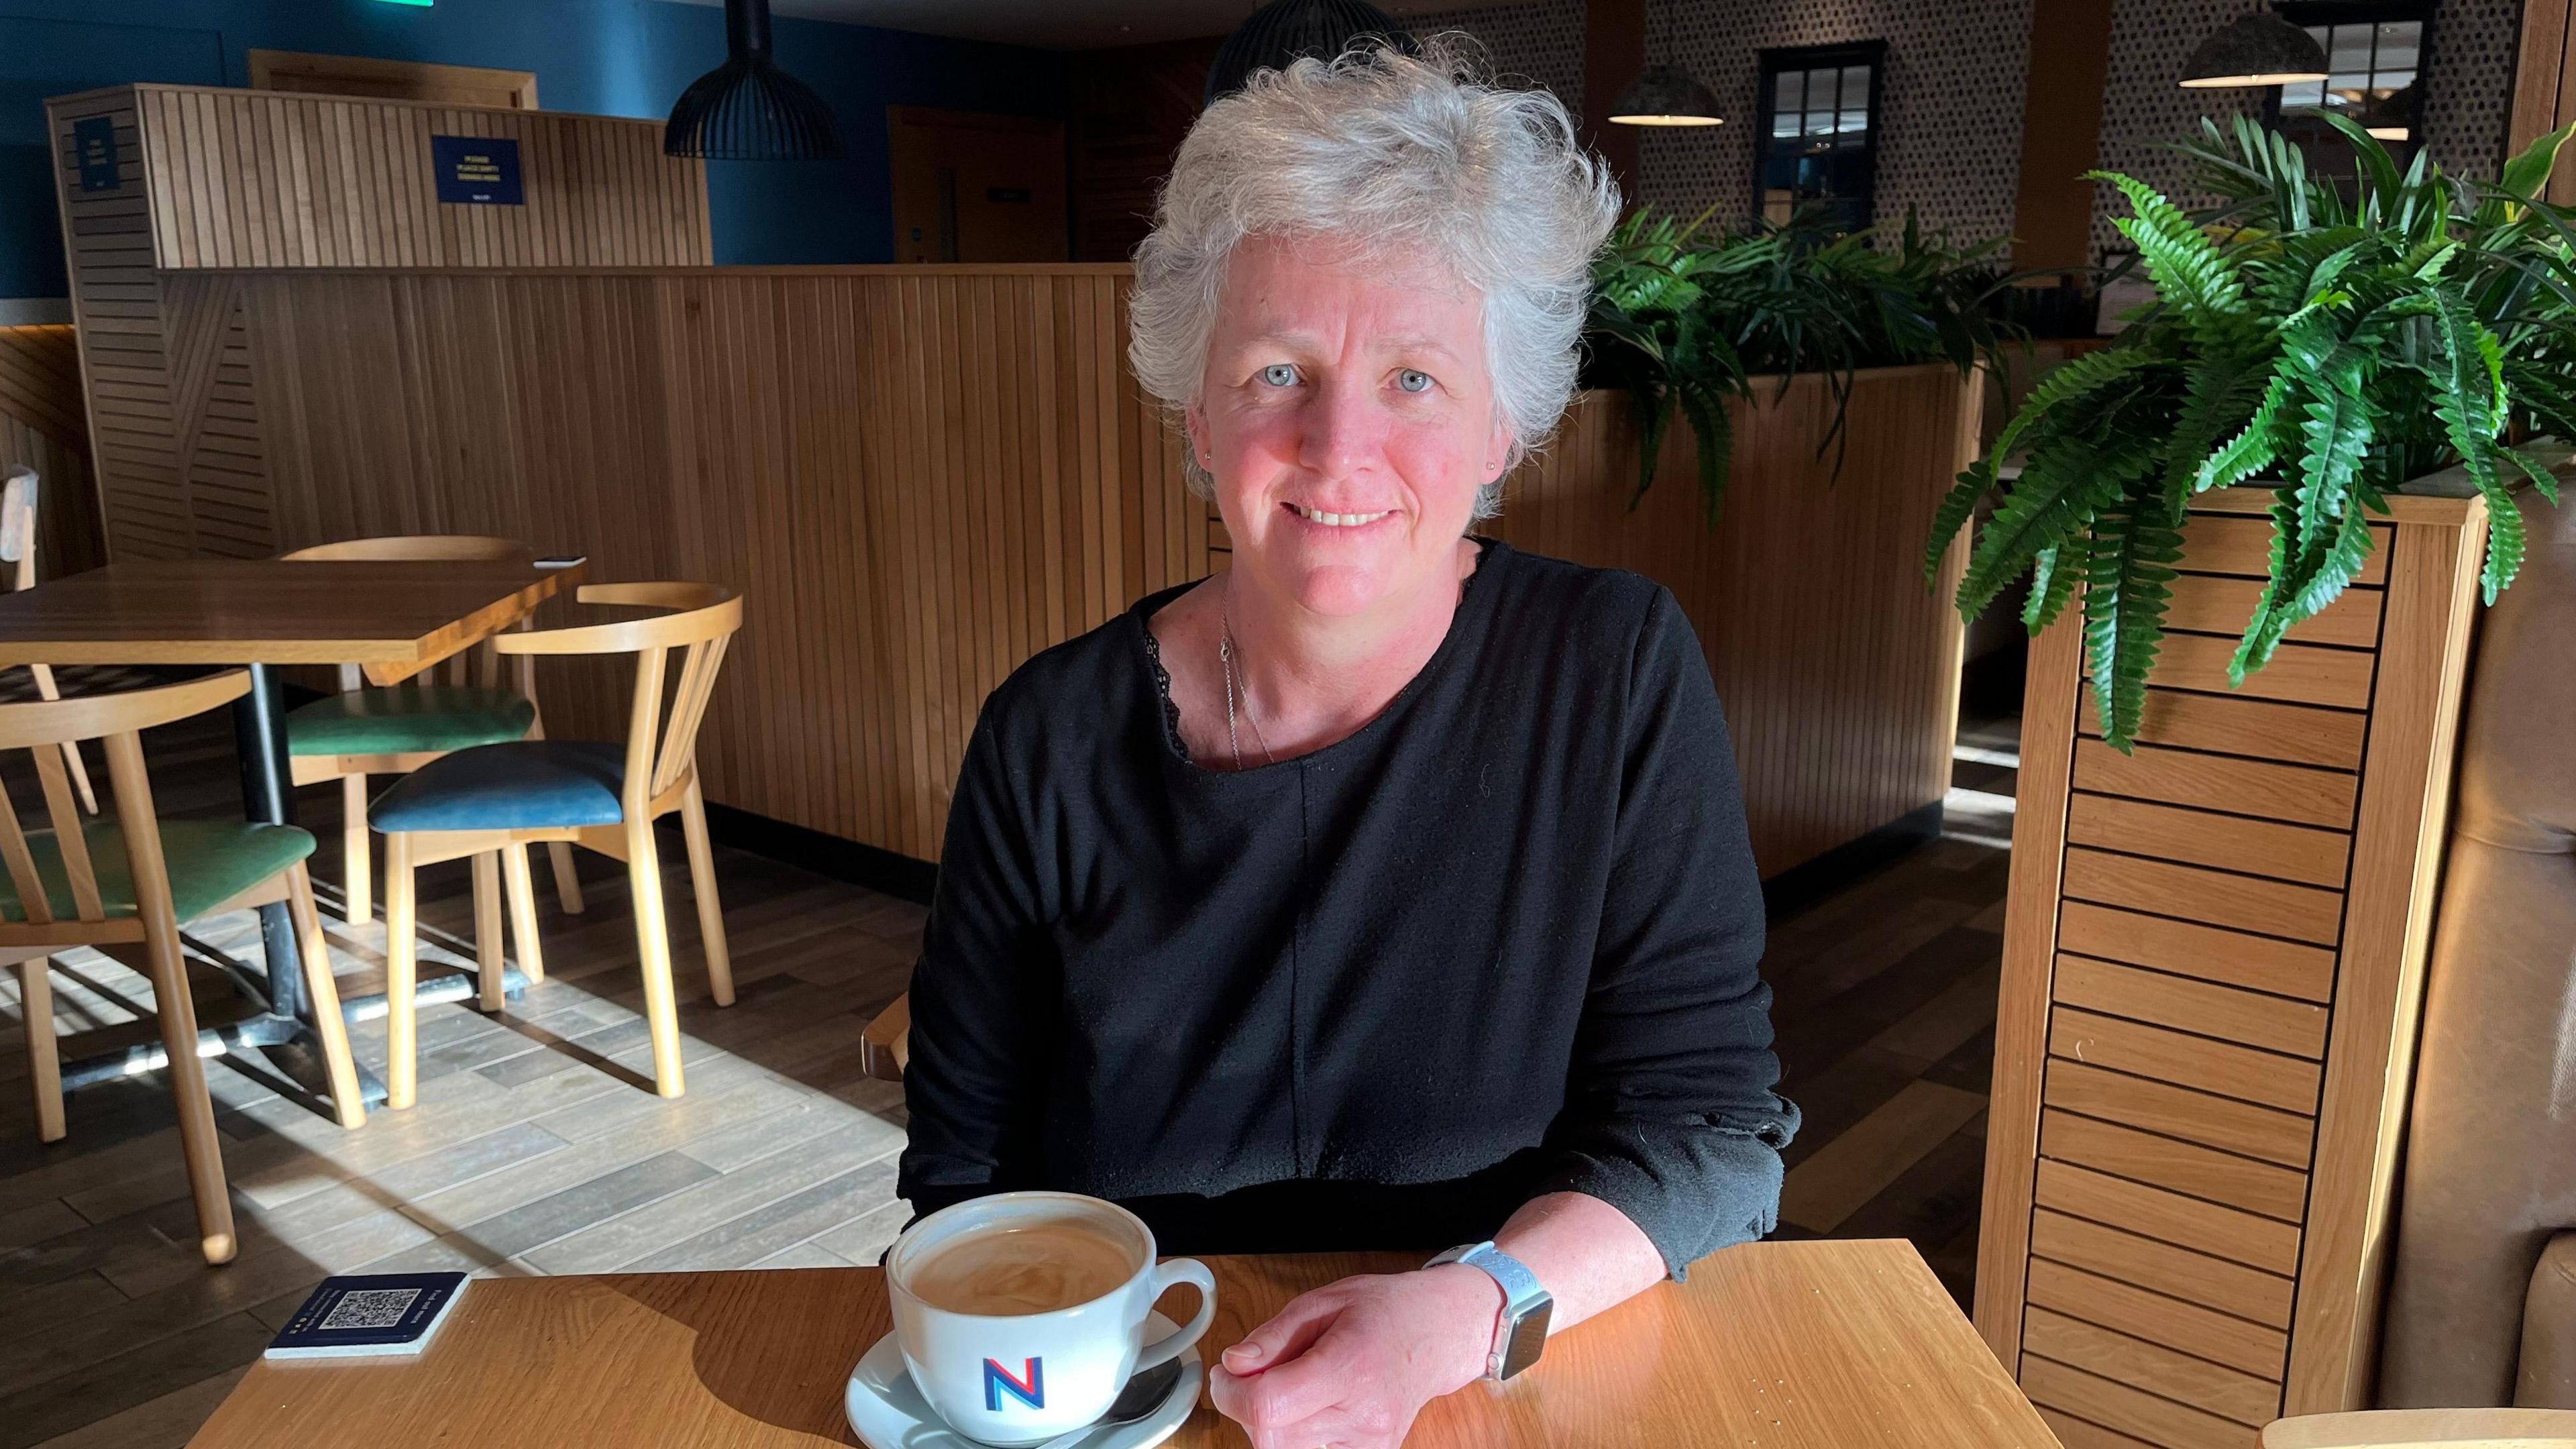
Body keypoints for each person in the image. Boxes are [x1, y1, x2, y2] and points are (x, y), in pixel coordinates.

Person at [896, 40, 1797, 1449]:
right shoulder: (1046, 736)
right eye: (1277, 372)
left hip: (1505, 1374)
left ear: (1508, 425)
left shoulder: (1610, 670)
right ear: (1198, 415)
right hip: (1134, 1394)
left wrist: (1468, 1307)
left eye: (1417, 379)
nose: (1336, 447)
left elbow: (1710, 1136)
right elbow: (962, 1179)